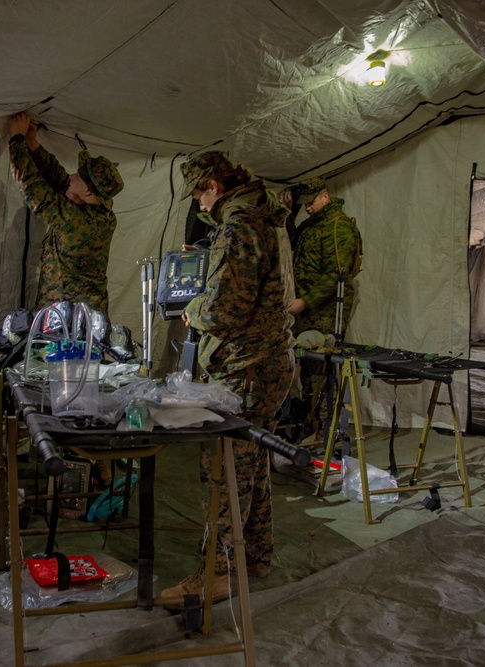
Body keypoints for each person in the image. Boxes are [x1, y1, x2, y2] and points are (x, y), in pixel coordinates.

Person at [160, 151, 295, 604]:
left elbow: (223, 309)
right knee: (252, 465)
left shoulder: (238, 227)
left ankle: (217, 573)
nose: (198, 204)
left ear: (214, 187)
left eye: (199, 194)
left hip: (245, 367)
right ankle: (253, 557)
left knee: (224, 469)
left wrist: (191, 308)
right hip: (268, 362)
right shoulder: (259, 217)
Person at [8, 112, 124, 312]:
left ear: (88, 191)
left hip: (67, 319)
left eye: (78, 175)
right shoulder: (101, 214)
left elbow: (34, 191)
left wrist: (16, 140)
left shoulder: (77, 222)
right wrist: (32, 143)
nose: (72, 174)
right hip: (83, 314)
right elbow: (62, 181)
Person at [285, 177, 363, 443]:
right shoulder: (312, 225)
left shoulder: (338, 228)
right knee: (308, 369)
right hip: (308, 309)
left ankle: (322, 432)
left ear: (325, 197)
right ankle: (310, 427)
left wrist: (304, 301)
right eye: (304, 204)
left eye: (311, 202)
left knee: (322, 371)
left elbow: (335, 277)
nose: (307, 208)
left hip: (327, 309)